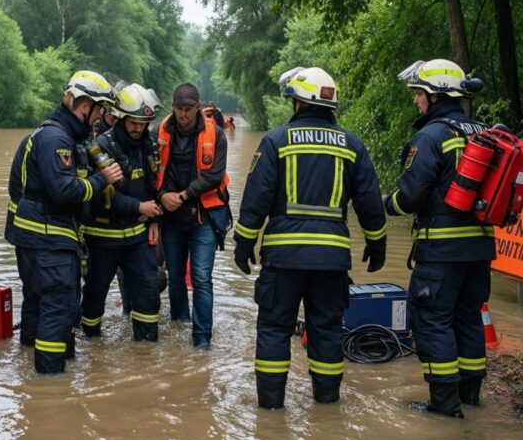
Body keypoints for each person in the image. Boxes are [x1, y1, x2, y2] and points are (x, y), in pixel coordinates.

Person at [233, 66, 387, 409]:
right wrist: (377, 244)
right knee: (327, 330)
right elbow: (370, 203)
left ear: (298, 102)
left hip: (283, 258)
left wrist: (244, 243)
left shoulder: (276, 141)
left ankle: (270, 410)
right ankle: (327, 405)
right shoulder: (352, 146)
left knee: (274, 329)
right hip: (332, 261)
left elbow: (256, 199)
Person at [385, 58, 494, 418]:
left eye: (419, 93)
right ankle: (470, 397)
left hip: (442, 250)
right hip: (480, 247)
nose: (415, 100)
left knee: (431, 319)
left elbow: (410, 196)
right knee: (468, 317)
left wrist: (384, 204)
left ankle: (444, 405)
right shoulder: (482, 132)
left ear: (435, 96)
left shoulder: (432, 136)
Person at [4, 70, 123, 374]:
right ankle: (51, 383)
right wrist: (102, 179)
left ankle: (27, 371)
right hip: (49, 242)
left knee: (36, 302)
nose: (99, 118)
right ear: (84, 107)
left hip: (32, 239)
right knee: (59, 307)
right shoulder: (56, 139)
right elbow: (64, 191)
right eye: (99, 110)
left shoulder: (49, 134)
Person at [80, 84, 164, 341]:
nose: (139, 128)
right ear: (120, 118)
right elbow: (102, 196)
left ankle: (146, 350)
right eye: (134, 123)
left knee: (149, 291)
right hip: (102, 237)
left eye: (143, 123)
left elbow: (155, 185)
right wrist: (139, 207)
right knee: (94, 297)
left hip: (137, 236)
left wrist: (154, 218)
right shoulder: (101, 148)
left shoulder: (148, 144)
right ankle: (92, 347)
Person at [156, 82, 229, 349]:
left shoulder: (216, 134)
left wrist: (184, 195)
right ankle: (180, 325)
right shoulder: (159, 132)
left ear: (198, 107)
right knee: (175, 277)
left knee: (201, 278)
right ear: (172, 106)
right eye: (179, 108)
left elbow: (214, 175)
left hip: (203, 218)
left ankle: (201, 340)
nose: (183, 114)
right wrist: (162, 196)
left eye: (188, 109)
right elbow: (151, 171)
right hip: (170, 218)